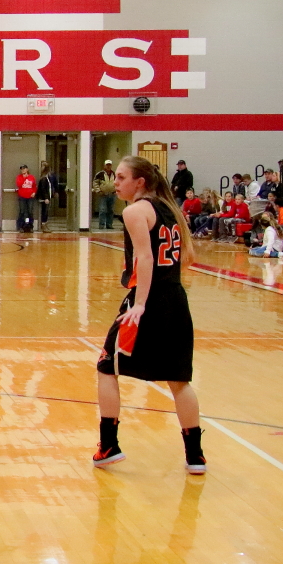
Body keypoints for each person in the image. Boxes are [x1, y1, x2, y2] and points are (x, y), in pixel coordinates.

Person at [92, 155, 204, 474]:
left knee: (105, 365)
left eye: (122, 177)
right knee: (179, 379)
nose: (116, 182)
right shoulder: (171, 208)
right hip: (176, 298)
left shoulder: (134, 211)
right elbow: (189, 257)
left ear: (139, 182)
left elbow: (145, 257)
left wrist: (140, 304)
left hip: (148, 301)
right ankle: (195, 456)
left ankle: (109, 445)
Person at [14, 164, 37, 232]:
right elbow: (19, 185)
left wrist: (34, 192)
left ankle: (30, 226)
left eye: (24, 169)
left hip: (30, 197)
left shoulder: (32, 177)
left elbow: (34, 186)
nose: (23, 170)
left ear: (27, 169)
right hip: (22, 196)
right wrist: (24, 178)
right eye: (22, 169)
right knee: (22, 211)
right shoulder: (19, 177)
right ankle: (20, 226)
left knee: (30, 211)